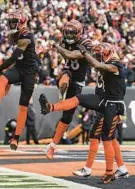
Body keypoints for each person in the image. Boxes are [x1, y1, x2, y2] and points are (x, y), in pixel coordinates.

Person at [39, 42, 127, 184]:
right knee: (79, 98)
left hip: (112, 105)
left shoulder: (115, 65)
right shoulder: (108, 59)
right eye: (97, 55)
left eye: (100, 55)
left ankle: (109, 172)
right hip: (102, 100)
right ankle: (51, 107)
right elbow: (92, 62)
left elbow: (99, 66)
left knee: (107, 138)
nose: (98, 57)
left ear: (107, 54)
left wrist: (85, 53)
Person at [0, 11, 40, 151]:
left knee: (23, 107)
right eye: (11, 21)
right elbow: (17, 60)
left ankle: (16, 138)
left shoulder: (26, 36)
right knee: (3, 79)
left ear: (22, 22)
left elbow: (14, 57)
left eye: (14, 21)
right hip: (19, 68)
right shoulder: (17, 34)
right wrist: (8, 81)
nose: (12, 24)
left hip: (29, 73)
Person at [45, 19, 92, 159]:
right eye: (67, 33)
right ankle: (62, 87)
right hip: (68, 73)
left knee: (67, 117)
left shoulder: (86, 43)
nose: (69, 37)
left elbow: (71, 55)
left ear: (79, 34)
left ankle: (52, 146)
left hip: (78, 81)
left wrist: (56, 47)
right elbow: (66, 58)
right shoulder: (64, 42)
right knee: (65, 75)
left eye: (72, 34)